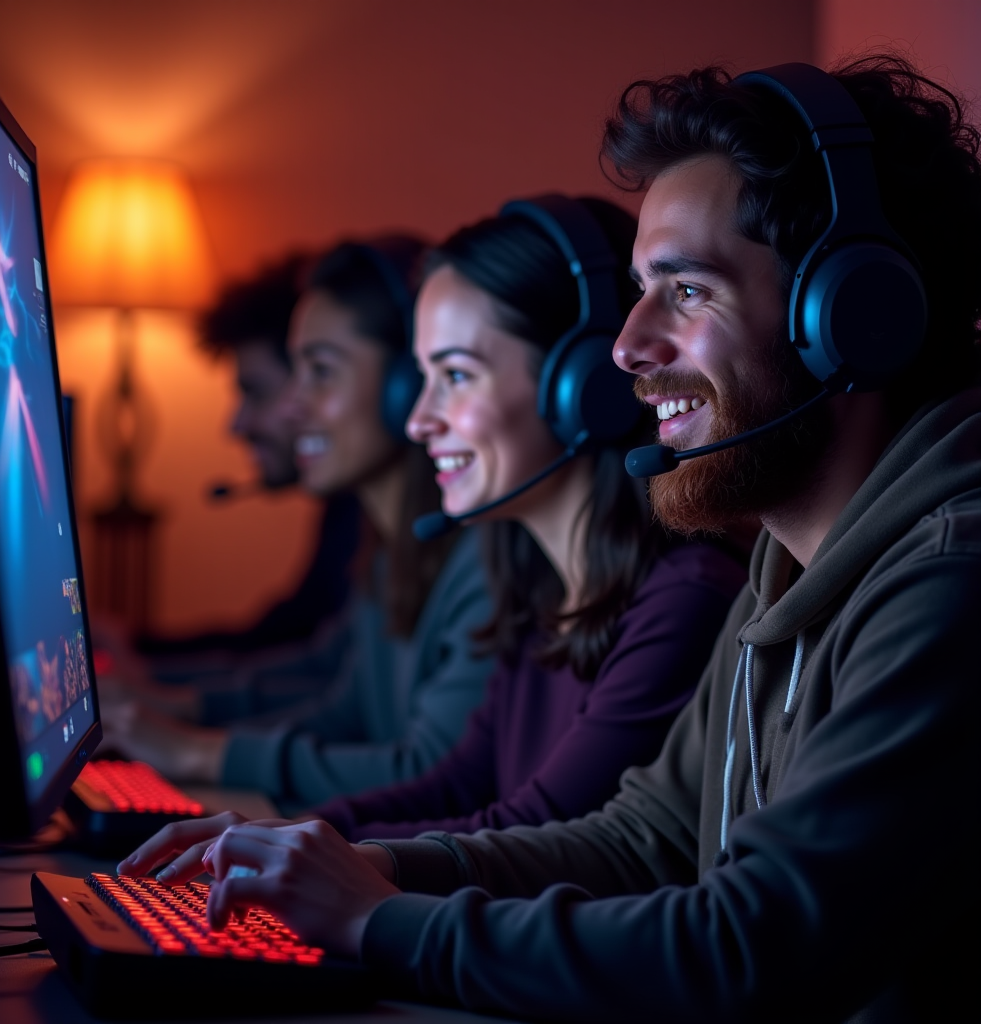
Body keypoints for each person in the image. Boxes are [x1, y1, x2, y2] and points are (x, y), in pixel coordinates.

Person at [152, 56, 980, 1022]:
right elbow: (643, 839)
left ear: (847, 316)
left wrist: (378, 921)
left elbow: (750, 946)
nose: (626, 347)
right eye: (637, 291)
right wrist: (366, 867)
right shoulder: (787, 572)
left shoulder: (948, 580)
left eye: (686, 290)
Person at [120, 196, 747, 876]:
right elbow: (456, 784)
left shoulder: (684, 599)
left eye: (454, 376)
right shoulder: (538, 583)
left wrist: (343, 859)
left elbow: (540, 828)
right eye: (423, 379)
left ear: (580, 388)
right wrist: (280, 834)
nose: (418, 422)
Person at [102, 239, 495, 809]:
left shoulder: (482, 557)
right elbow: (342, 703)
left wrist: (197, 750)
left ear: (405, 385)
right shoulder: (385, 550)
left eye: (321, 372)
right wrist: (174, 713)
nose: (291, 406)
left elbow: (430, 768)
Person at [135, 254, 361, 657]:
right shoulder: (349, 517)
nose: (235, 425)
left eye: (255, 391)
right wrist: (142, 654)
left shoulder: (375, 525)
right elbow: (287, 639)